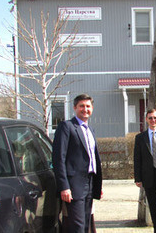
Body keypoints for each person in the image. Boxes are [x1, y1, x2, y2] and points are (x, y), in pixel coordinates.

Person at [52, 94, 102, 233]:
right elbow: (58, 158)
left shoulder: (90, 130)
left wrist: (98, 185)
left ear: (92, 108)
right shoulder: (66, 127)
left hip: (90, 182)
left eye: (88, 106)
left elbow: (93, 159)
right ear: (75, 108)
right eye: (81, 106)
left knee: (86, 224)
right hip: (74, 186)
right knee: (77, 226)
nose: (85, 109)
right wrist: (64, 187)